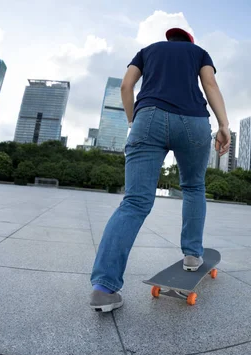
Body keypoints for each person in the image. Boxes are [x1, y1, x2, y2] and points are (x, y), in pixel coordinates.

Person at [89, 27, 231, 312]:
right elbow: (210, 86)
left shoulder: (147, 51)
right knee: (193, 187)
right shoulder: (198, 52)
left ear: (169, 39)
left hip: (148, 117)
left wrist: (134, 121)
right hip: (193, 122)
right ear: (189, 41)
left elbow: (126, 87)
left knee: (135, 202)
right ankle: (192, 256)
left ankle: (104, 288)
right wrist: (224, 125)